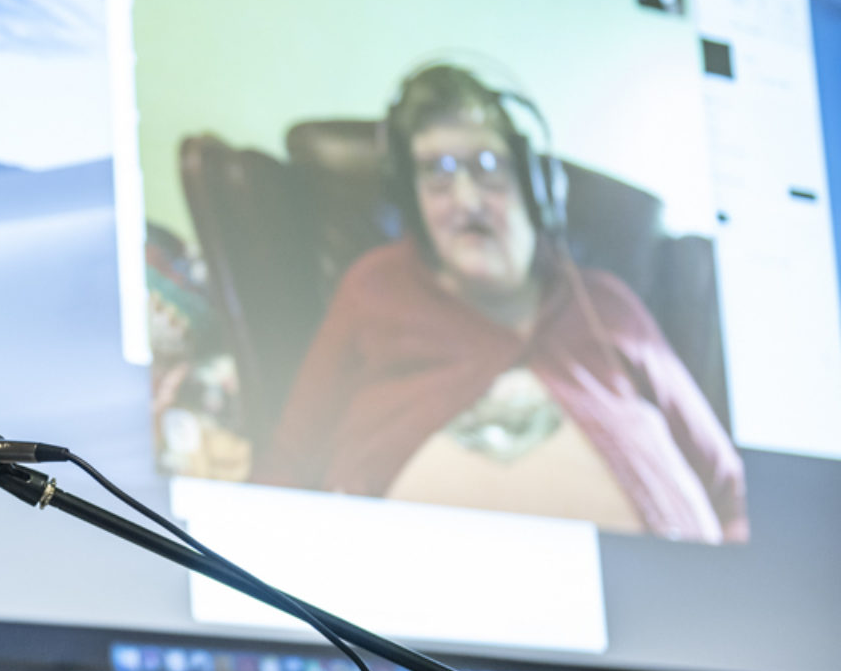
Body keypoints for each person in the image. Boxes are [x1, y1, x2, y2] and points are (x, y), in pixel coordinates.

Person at [254, 65, 748, 543]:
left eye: (487, 167)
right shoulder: (373, 287)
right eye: (437, 175)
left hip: (666, 617)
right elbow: (286, 466)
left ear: (534, 185)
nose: (467, 200)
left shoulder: (608, 303)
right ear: (410, 199)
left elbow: (730, 490)